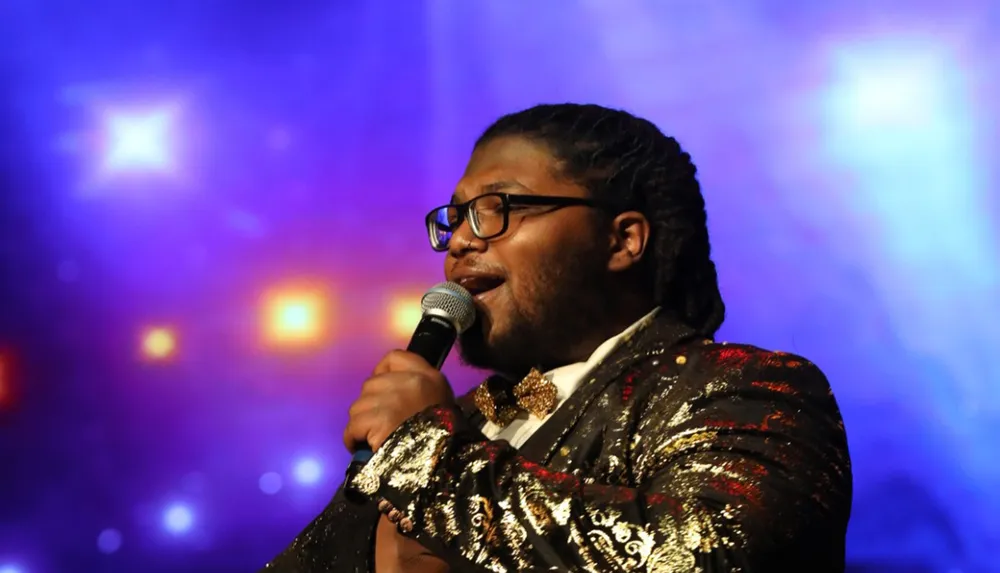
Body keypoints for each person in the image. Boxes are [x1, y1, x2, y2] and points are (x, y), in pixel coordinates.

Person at [260, 103, 852, 573]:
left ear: (622, 240)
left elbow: (702, 558)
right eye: (457, 217)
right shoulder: (456, 419)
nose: (463, 240)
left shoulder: (746, 387)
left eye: (497, 207)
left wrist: (431, 464)